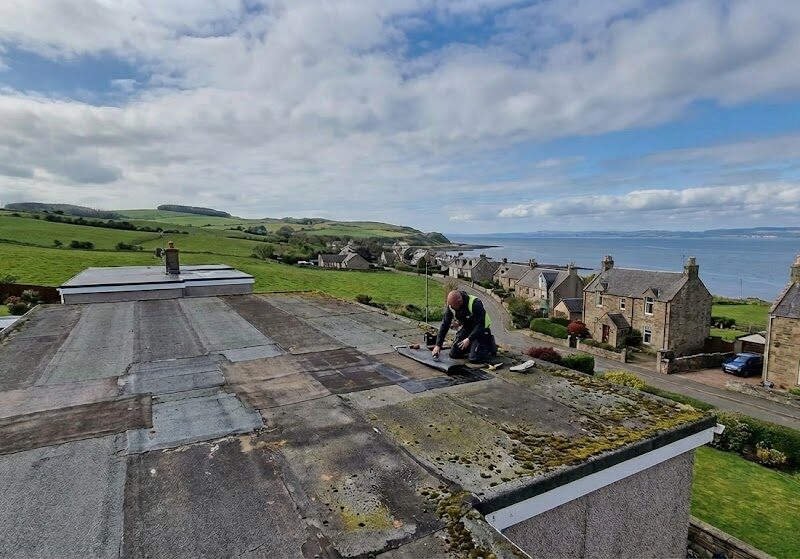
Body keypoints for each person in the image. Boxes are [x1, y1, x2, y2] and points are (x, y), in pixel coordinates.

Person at [432, 290, 496, 363]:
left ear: (459, 302)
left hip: (481, 331)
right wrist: (438, 345)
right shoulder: (452, 306)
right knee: (454, 354)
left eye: (453, 306)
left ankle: (489, 344)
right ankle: (473, 346)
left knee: (474, 359)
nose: (452, 308)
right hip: (467, 329)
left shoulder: (475, 303)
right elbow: (445, 324)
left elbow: (481, 325)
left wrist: (469, 339)